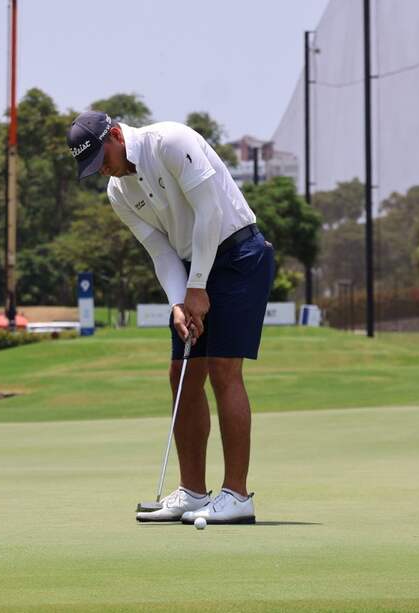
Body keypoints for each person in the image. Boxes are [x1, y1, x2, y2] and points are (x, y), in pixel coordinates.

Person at [67, 111, 275, 524]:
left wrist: (197, 287)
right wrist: (179, 301)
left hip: (239, 254)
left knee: (222, 370)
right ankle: (194, 492)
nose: (103, 170)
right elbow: (160, 251)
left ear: (114, 135)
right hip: (190, 266)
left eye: (101, 159)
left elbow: (210, 214)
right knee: (181, 372)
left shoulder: (171, 141)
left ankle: (237, 495)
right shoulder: (118, 192)